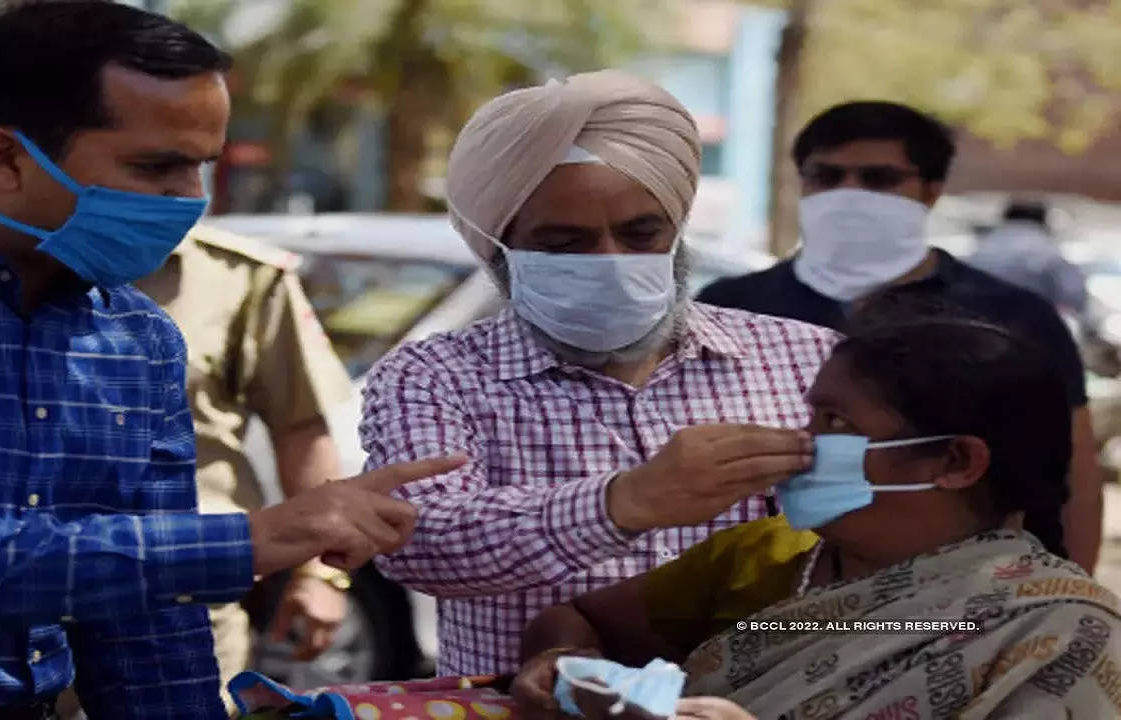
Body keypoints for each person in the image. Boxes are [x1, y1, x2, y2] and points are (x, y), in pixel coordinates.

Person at [0, 3, 461, 718]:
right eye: (156, 166)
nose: (188, 199)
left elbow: (147, 629)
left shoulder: (136, 336)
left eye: (202, 165)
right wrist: (252, 541)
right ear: (3, 157)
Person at [359, 69, 835, 678]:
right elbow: (421, 545)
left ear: (678, 232)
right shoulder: (435, 376)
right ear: (498, 248)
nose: (610, 261)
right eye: (565, 243)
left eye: (641, 234)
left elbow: (889, 549)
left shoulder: (804, 359)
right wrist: (625, 502)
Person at [515, 317, 1121, 719]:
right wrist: (557, 665)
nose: (800, 443)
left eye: (835, 424)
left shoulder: (1062, 631)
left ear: (957, 461)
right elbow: (577, 621)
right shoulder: (771, 554)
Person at [697, 101, 1103, 573]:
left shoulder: (1011, 316)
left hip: (971, 595)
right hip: (764, 587)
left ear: (930, 191)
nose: (848, 195)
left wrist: (1075, 584)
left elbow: (1073, 470)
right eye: (826, 177)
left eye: (878, 179)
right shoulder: (730, 306)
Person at [133, 225, 354, 709]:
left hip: (190, 599)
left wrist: (320, 573)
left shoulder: (239, 276)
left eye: (198, 166)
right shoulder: (14, 260)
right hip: (22, 596)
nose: (186, 188)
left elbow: (300, 427)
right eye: (156, 163)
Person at [967, 199, 1088, 315]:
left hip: (981, 321)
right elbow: (1073, 294)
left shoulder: (984, 246)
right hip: (1030, 323)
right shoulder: (1045, 248)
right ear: (1043, 219)